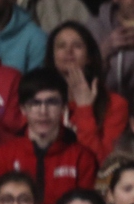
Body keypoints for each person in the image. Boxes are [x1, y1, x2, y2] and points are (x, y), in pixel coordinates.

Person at [0, 67, 99, 204]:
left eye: (51, 102)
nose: (43, 111)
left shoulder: (82, 158)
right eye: (35, 103)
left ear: (64, 107)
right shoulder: (0, 157)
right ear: (23, 109)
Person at [52, 21, 128, 156]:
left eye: (77, 46)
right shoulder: (43, 101)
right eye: (61, 46)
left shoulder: (115, 104)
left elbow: (103, 162)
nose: (69, 51)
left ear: (89, 57)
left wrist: (84, 109)